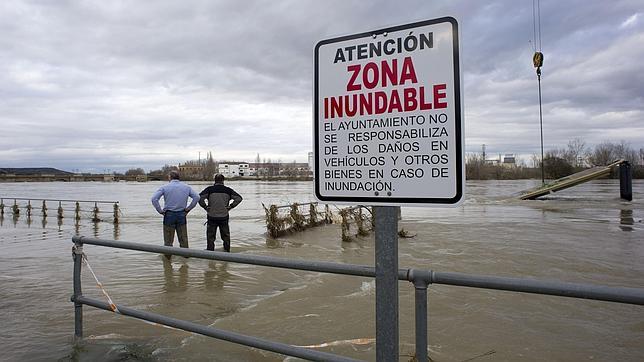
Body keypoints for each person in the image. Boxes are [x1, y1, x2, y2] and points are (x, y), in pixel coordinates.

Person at [151, 170, 200, 254]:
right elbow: (197, 197)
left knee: (168, 241)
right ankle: (185, 260)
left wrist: (160, 211)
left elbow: (154, 199)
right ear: (178, 177)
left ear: (170, 177)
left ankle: (167, 261)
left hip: (169, 215)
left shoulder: (165, 187)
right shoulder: (186, 187)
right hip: (182, 214)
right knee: (183, 240)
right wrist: (188, 208)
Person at [199, 174, 242, 252]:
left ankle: (210, 254)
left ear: (215, 180)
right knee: (226, 236)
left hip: (212, 217)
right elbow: (239, 198)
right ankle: (227, 252)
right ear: (223, 181)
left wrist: (205, 207)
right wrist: (230, 207)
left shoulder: (209, 189)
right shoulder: (228, 190)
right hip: (224, 217)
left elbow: (199, 198)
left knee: (210, 237)